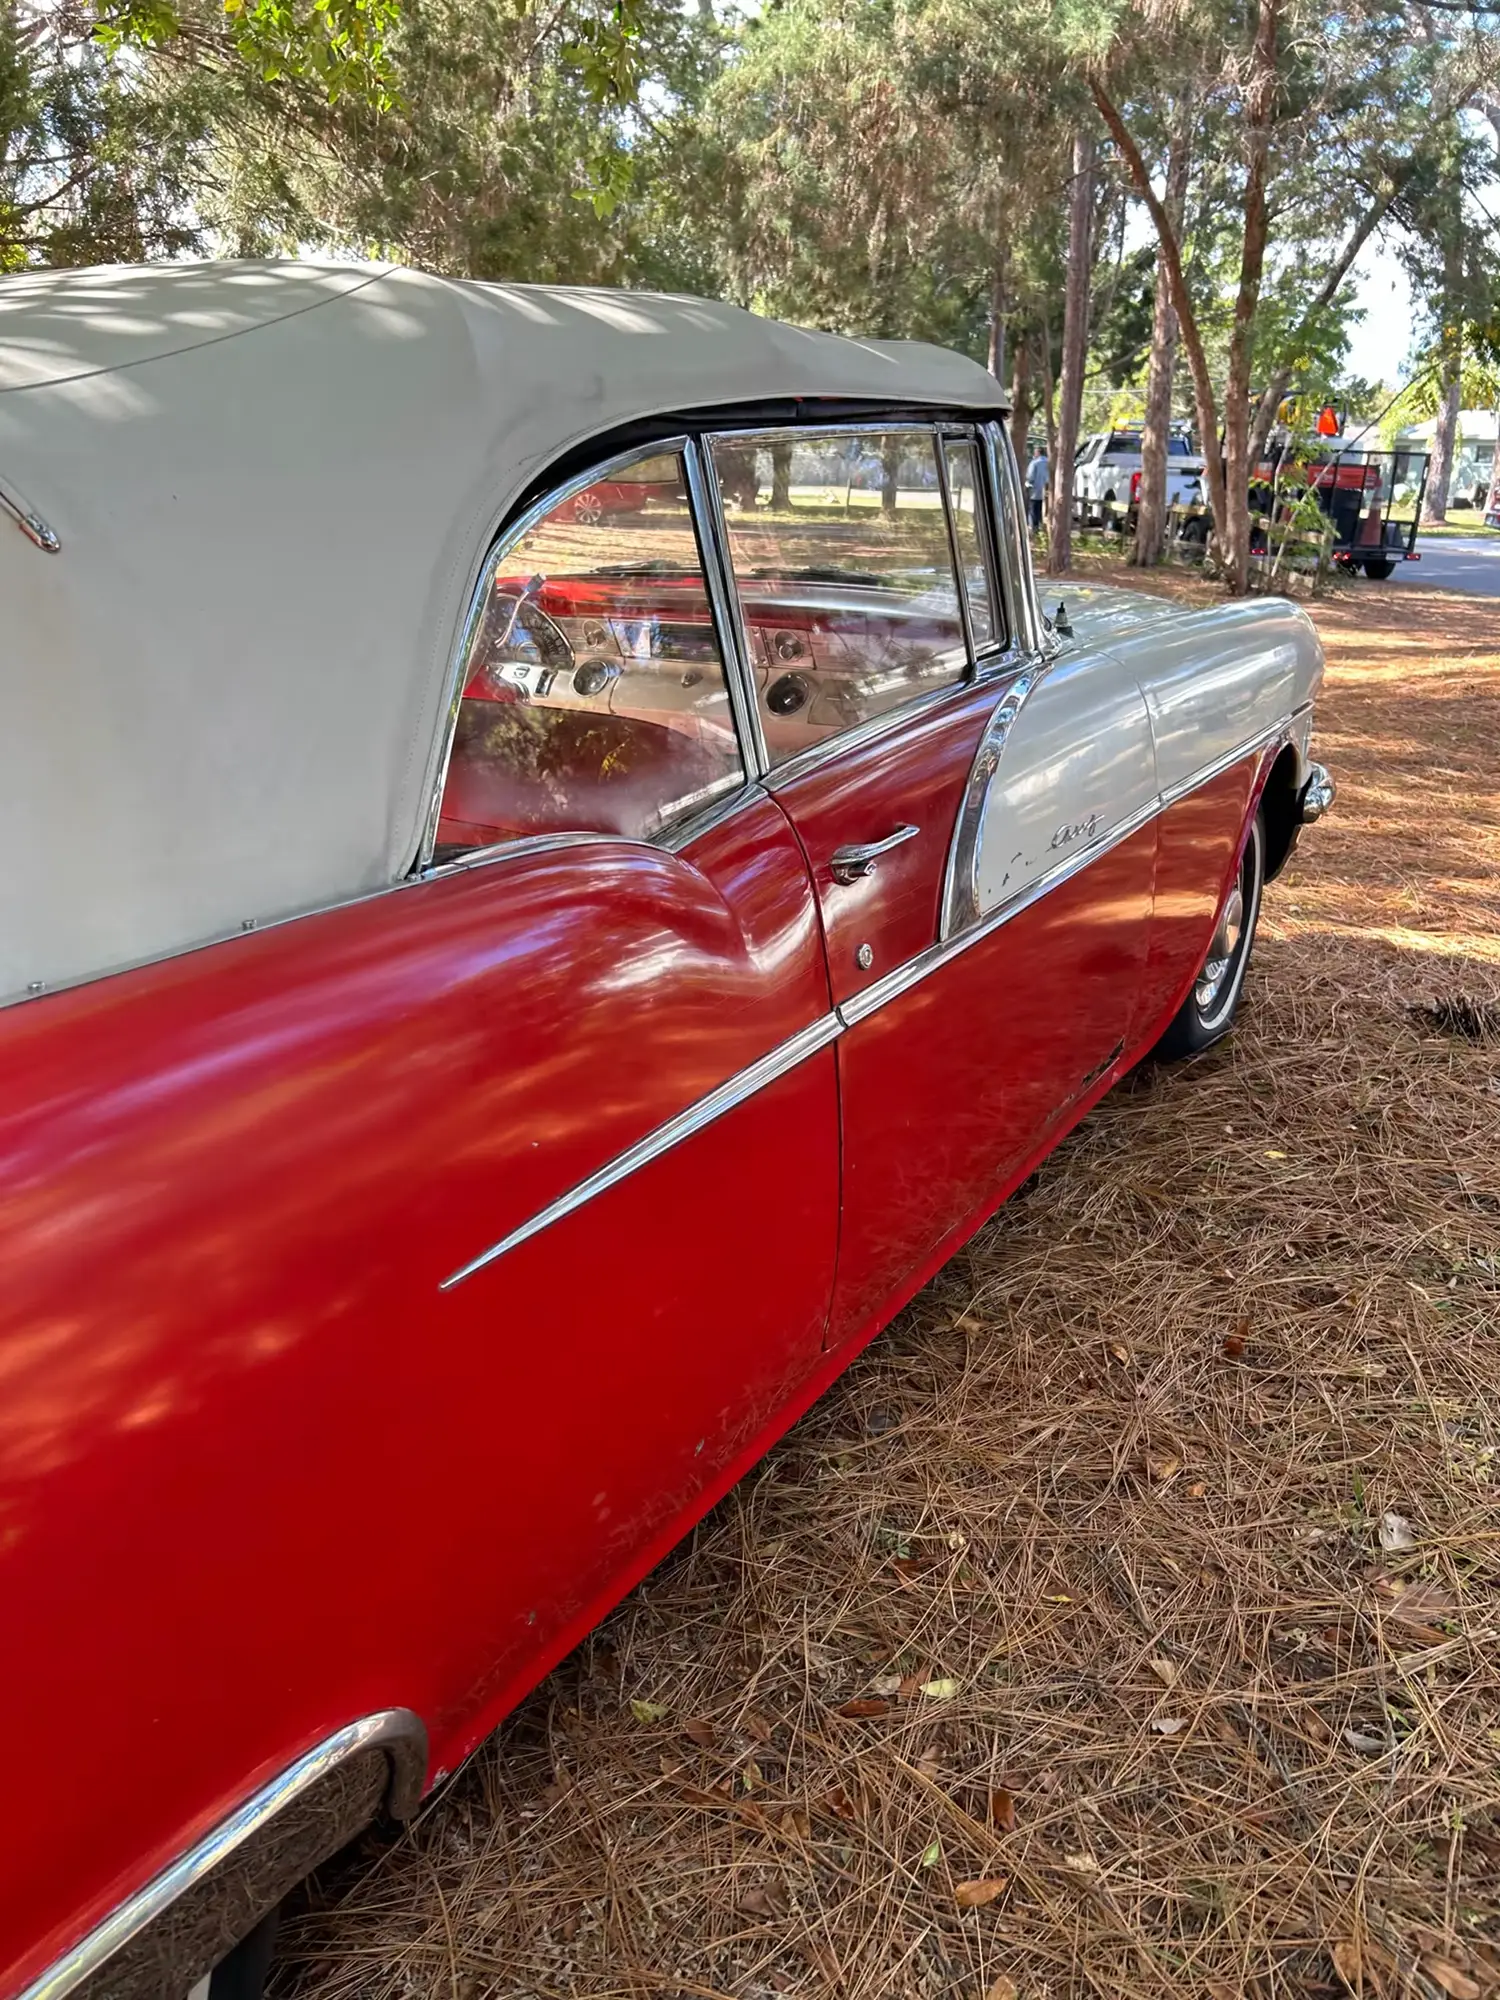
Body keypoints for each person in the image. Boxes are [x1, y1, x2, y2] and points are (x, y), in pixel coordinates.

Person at [1025, 445, 1049, 531]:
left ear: (1038, 453)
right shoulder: (1048, 462)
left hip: (1035, 490)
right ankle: (1040, 526)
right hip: (1047, 490)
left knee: (1033, 509)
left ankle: (1033, 527)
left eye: (1035, 452)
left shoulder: (1034, 463)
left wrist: (1027, 484)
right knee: (1041, 509)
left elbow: (1030, 477)